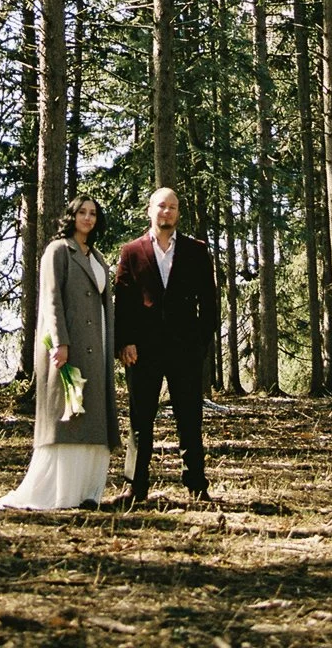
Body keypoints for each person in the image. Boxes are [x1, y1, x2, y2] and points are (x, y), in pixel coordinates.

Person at [0, 194, 119, 510]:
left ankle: (87, 492)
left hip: (97, 345)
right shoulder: (58, 251)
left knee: (93, 419)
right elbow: (51, 299)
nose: (88, 218)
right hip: (68, 346)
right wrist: (60, 341)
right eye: (82, 212)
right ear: (71, 216)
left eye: (93, 213)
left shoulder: (98, 257)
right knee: (68, 417)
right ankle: (57, 492)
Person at [113, 186, 218, 505]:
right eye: (161, 206)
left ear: (178, 213)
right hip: (142, 350)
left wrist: (201, 342)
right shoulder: (131, 251)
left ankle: (197, 487)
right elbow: (123, 303)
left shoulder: (196, 250)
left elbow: (209, 303)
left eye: (172, 207)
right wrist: (124, 341)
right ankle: (135, 487)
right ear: (150, 210)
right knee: (140, 419)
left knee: (189, 418)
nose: (166, 212)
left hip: (185, 348)